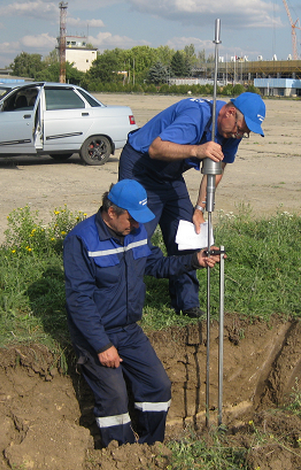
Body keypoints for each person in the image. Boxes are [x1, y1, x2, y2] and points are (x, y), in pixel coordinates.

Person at [63, 179, 221, 447]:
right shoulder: (81, 240)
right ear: (111, 212)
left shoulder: (136, 233)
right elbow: (79, 300)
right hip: (96, 334)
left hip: (129, 330)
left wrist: (194, 260)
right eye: (131, 219)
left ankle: (151, 447)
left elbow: (156, 264)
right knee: (114, 398)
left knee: (158, 387)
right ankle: (122, 456)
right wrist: (102, 345)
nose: (136, 225)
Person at [118, 91, 266, 317]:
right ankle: (125, 302)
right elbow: (156, 148)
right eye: (240, 129)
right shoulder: (196, 115)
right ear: (230, 112)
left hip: (170, 174)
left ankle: (187, 304)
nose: (239, 135)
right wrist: (197, 150)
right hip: (141, 167)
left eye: (245, 134)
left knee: (187, 232)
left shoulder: (229, 134)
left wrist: (199, 208)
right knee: (135, 235)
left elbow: (217, 170)